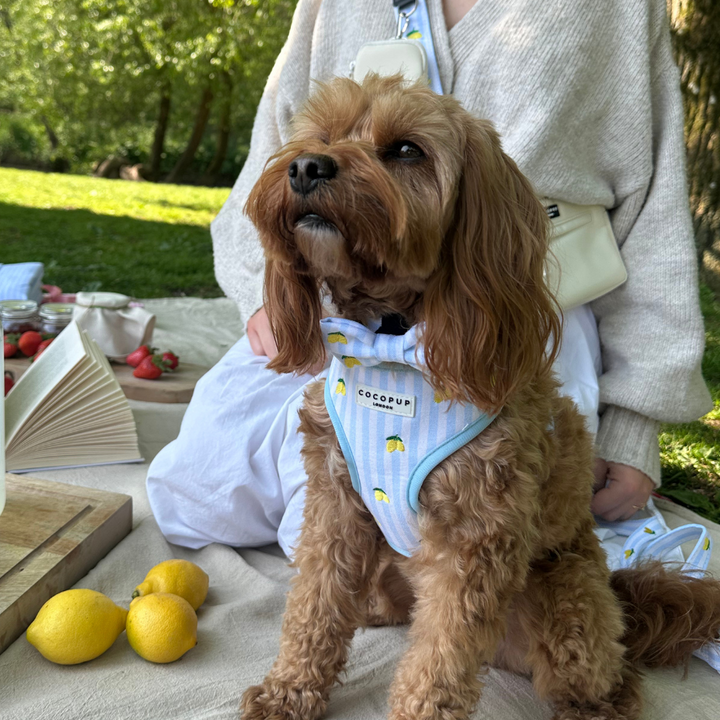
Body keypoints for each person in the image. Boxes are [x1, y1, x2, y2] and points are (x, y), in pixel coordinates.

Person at [146, 0, 712, 557]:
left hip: (502, 311)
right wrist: (266, 294)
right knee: (191, 498)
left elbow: (653, 209)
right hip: (338, 308)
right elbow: (275, 150)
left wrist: (634, 419)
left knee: (377, 543)